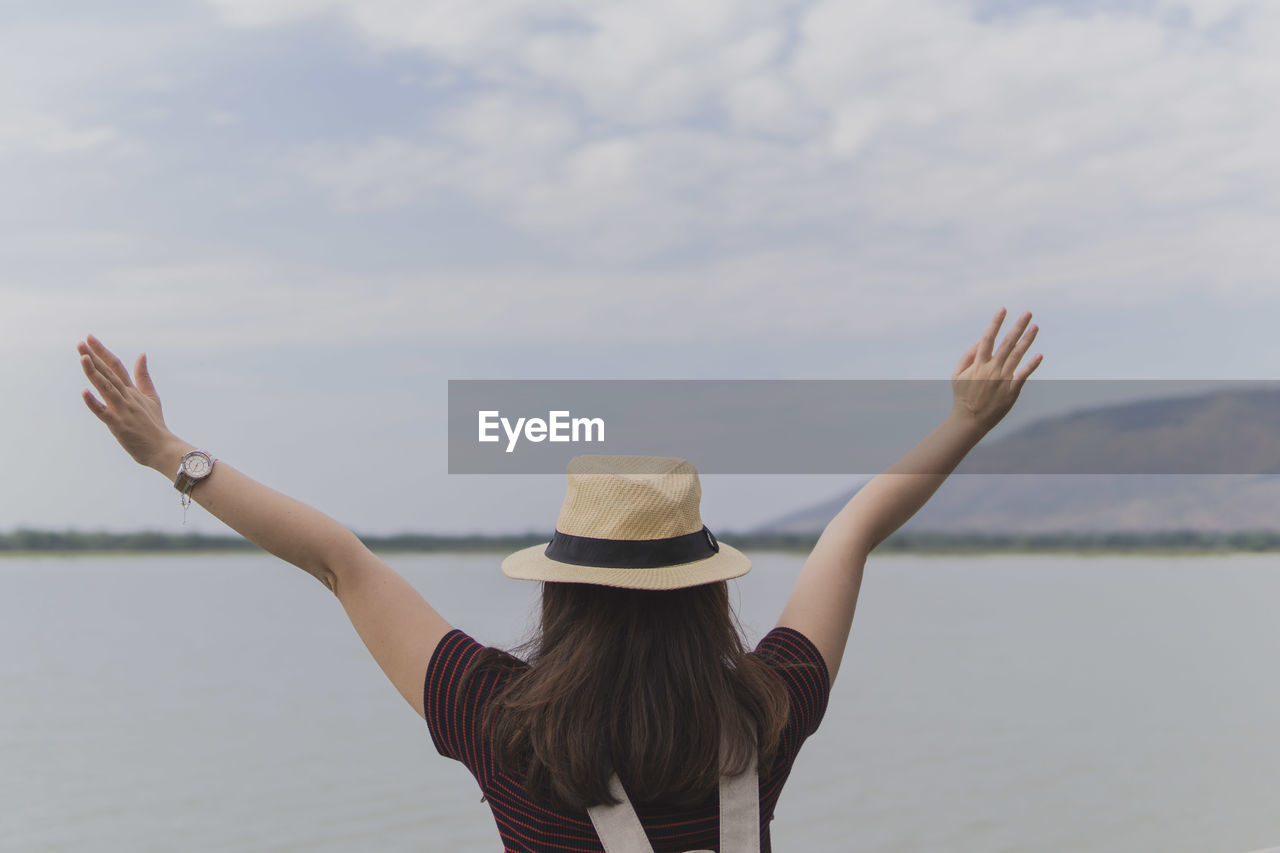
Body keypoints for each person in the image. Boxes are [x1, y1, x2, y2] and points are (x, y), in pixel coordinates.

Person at [75, 307, 1041, 852]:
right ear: (707, 589)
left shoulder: (504, 724)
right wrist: (965, 421)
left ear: (560, 590)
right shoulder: (764, 718)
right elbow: (850, 536)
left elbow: (341, 562)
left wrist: (171, 455)